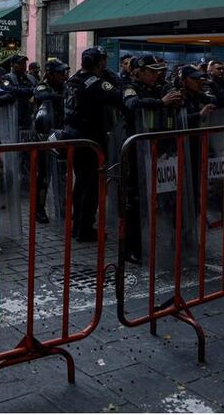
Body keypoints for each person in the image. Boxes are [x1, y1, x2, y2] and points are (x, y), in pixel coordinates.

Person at [121, 54, 181, 261]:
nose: (157, 75)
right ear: (140, 71)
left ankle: (161, 239)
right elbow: (131, 104)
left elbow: (175, 98)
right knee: (135, 200)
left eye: (158, 71)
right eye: (152, 71)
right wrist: (160, 102)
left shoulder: (159, 87)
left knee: (163, 197)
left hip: (161, 151)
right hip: (137, 152)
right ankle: (132, 248)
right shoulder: (130, 87)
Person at [62, 47, 123, 242]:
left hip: (73, 135)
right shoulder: (95, 83)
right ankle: (85, 228)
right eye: (103, 60)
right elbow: (117, 94)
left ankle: (77, 225)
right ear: (100, 63)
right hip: (90, 139)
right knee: (91, 185)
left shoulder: (73, 78)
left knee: (80, 183)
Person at [33, 58, 70, 224]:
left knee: (63, 174)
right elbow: (40, 95)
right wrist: (59, 96)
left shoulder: (66, 87)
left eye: (64, 72)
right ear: (50, 74)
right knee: (44, 176)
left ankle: (63, 207)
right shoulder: (44, 86)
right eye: (60, 73)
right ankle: (39, 209)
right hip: (44, 136)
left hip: (61, 134)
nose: (63, 75)